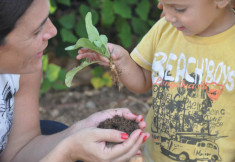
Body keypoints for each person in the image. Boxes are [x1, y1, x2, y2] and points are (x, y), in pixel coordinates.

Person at [77, 0, 235, 161]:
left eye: (179, 9)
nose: (167, 16)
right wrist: (121, 60)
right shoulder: (165, 30)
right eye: (163, 4)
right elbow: (142, 81)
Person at [0, 0, 150, 161]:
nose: (53, 31)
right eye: (36, 31)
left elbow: (19, 151)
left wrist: (79, 130)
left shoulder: (23, 66)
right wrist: (66, 152)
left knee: (57, 131)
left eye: (47, 19)